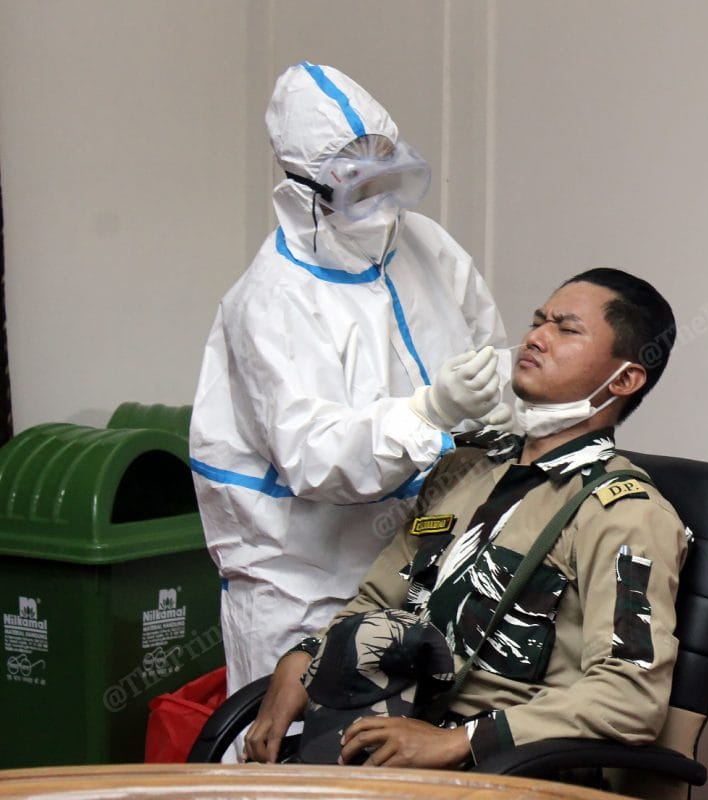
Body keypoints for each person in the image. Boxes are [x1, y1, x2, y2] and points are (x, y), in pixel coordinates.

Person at [244, 268, 685, 773]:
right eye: (538, 321)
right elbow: (378, 601)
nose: (535, 337)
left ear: (624, 378)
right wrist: (302, 660)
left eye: (566, 329)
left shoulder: (624, 514)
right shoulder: (463, 468)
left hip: (502, 767)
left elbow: (630, 697)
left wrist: (461, 741)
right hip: (382, 734)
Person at [190, 61, 511, 699]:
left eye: (391, 176)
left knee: (398, 747)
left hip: (418, 563)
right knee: (296, 748)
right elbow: (313, 457)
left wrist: (499, 403)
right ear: (307, 189)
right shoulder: (272, 299)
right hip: (302, 584)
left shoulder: (426, 247)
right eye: (362, 188)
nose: (384, 204)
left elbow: (490, 349)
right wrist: (428, 412)